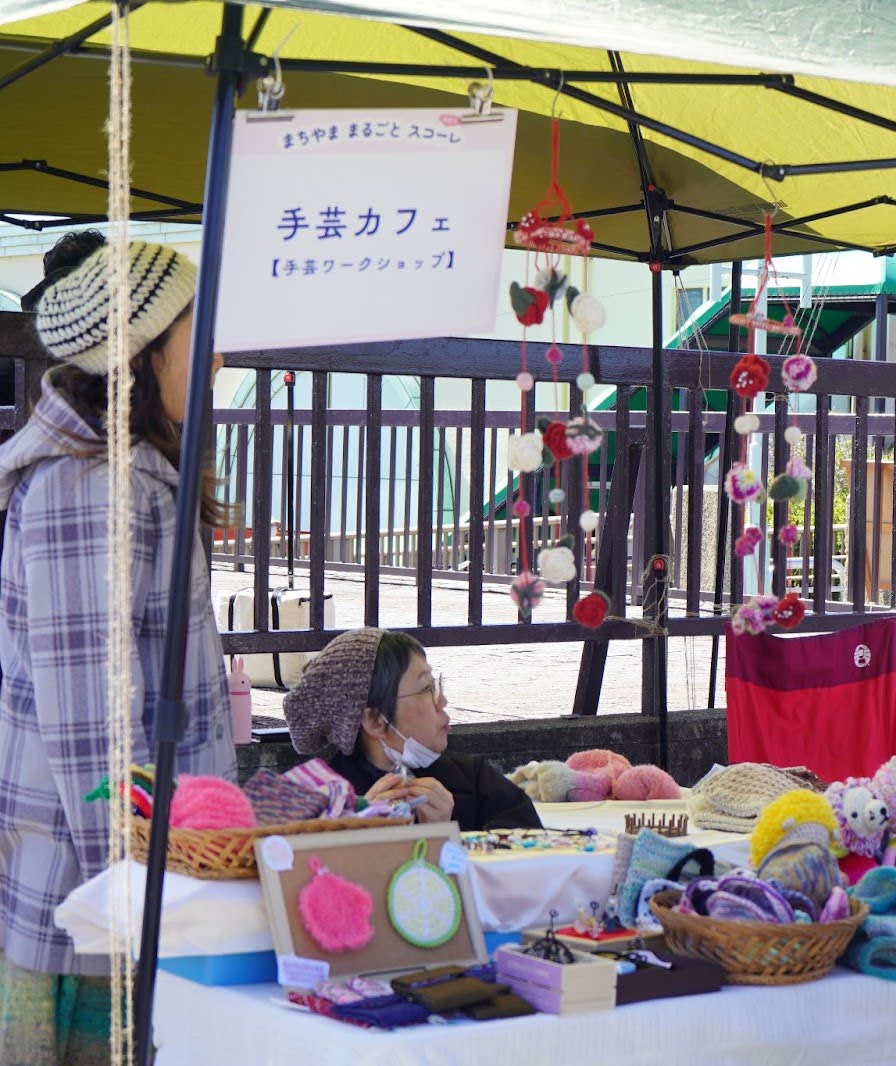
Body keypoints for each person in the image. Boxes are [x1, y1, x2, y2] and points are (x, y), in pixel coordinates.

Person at [0, 234, 235, 1066]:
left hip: (120, 887)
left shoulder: (122, 467)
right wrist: (138, 895)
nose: (218, 357)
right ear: (140, 353)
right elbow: (91, 726)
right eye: (200, 334)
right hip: (92, 905)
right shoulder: (90, 485)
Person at [282, 627, 542, 831]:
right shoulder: (324, 802)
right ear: (375, 721)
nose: (442, 701)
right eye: (427, 688)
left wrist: (447, 835)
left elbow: (535, 860)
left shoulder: (474, 779)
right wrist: (361, 833)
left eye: (435, 685)